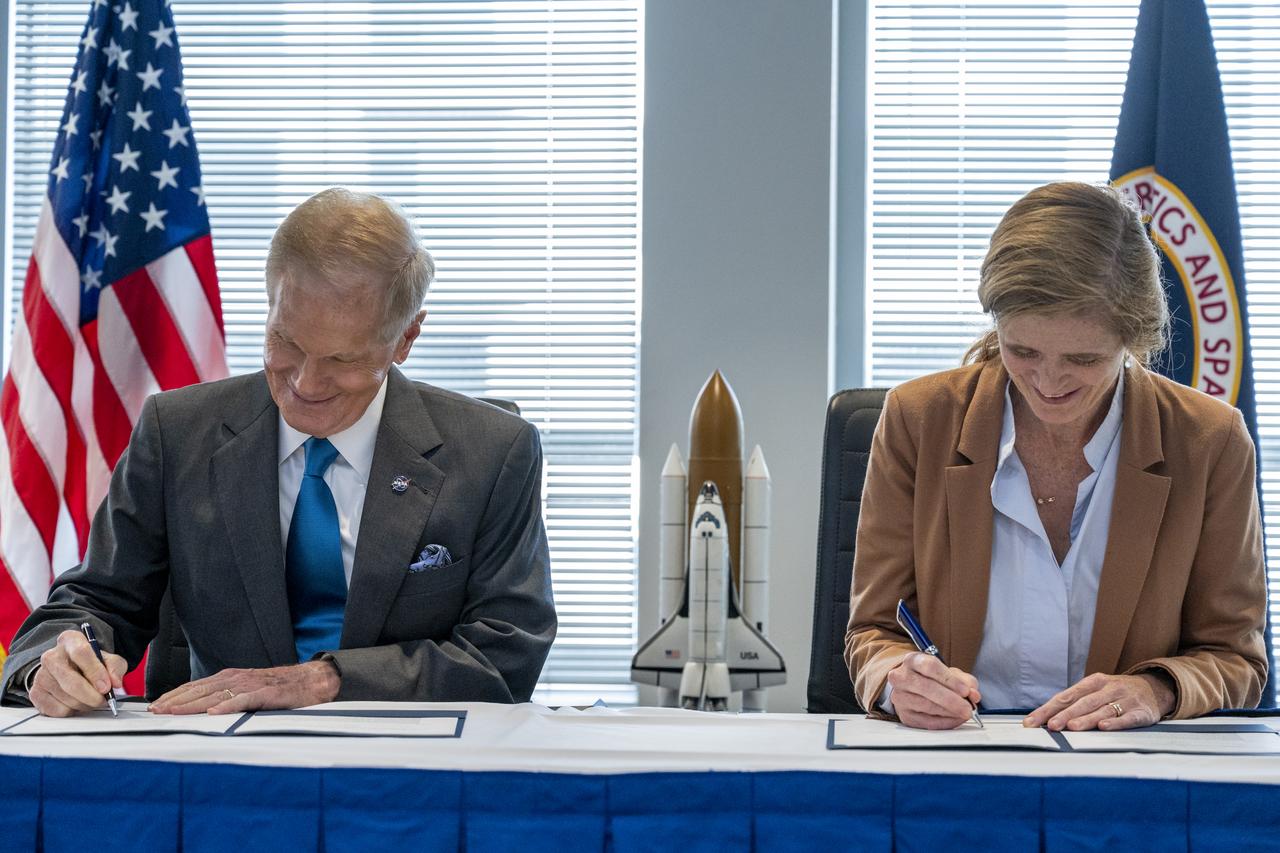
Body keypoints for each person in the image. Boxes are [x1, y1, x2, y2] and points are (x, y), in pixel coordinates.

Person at [1, 188, 557, 716]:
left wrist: (324, 679)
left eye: (342, 359)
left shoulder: (492, 451)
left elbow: (504, 653)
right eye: (285, 342)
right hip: (219, 763)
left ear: (406, 339)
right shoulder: (177, 432)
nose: (307, 384)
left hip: (412, 768)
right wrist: (53, 664)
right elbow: (97, 599)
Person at [844, 181, 1267, 731]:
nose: (1048, 381)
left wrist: (1157, 689)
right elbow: (873, 631)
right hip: (958, 756)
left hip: (1122, 767)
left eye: (1083, 358)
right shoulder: (918, 420)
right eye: (1023, 351)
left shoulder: (1210, 442)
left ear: (1132, 340)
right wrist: (896, 677)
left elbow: (1237, 658)